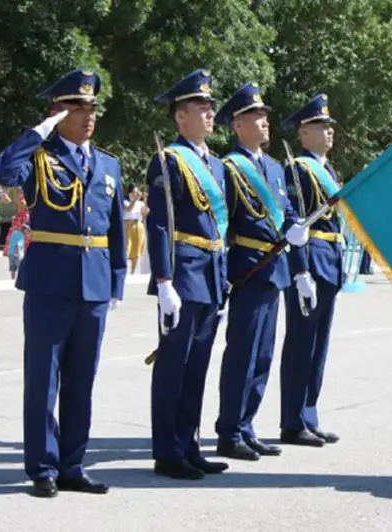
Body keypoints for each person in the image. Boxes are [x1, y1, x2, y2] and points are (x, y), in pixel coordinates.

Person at [0, 68, 127, 498]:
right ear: (57, 112)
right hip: (50, 282)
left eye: (92, 108)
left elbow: (116, 231)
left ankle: (72, 464)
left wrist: (116, 283)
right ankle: (43, 468)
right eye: (78, 107)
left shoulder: (108, 164)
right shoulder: (39, 157)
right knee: (43, 380)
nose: (89, 116)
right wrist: (38, 132)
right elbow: (2, 171)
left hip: (94, 286)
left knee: (81, 382)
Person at [213, 81, 311, 461]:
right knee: (242, 351)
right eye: (256, 116)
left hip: (275, 271)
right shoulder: (229, 168)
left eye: (265, 115)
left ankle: (247, 425)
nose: (265, 121)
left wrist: (296, 241)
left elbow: (287, 216)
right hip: (247, 269)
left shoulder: (272, 168)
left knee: (263, 355)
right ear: (238, 125)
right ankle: (229, 430)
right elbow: (223, 223)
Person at [146, 69, 230, 480]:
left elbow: (219, 227)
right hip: (182, 273)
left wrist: (224, 278)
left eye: (211, 106)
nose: (210, 112)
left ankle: (189, 444)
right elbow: (160, 223)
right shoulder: (169, 159)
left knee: (197, 367)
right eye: (201, 107)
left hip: (211, 275)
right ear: (180, 116)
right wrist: (164, 282)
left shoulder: (214, 164)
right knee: (173, 367)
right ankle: (167, 451)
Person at [279, 94, 343, 447]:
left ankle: (309, 414)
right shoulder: (297, 168)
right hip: (311, 260)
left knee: (319, 345)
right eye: (321, 126)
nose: (329, 132)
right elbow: (295, 222)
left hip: (329, 259)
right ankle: (292, 421)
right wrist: (300, 270)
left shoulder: (328, 170)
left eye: (329, 126)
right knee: (301, 343)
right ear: (303, 133)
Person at [124, 184, 148, 274]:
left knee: (137, 251)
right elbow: (129, 209)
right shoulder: (125, 202)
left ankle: (133, 273)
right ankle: (124, 272)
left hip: (138, 226)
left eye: (136, 192)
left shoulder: (140, 204)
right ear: (129, 193)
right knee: (127, 249)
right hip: (128, 226)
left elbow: (145, 213)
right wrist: (135, 199)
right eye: (133, 192)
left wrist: (145, 199)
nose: (135, 194)